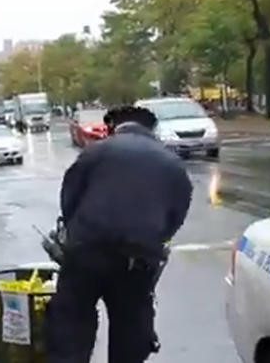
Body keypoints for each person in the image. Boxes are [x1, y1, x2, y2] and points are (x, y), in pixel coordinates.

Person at [45, 105, 193, 363]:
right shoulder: (172, 163)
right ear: (152, 130)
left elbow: (70, 195)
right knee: (131, 326)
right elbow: (176, 213)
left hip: (87, 250)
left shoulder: (96, 152)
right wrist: (155, 239)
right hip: (138, 258)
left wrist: (73, 231)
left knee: (72, 321)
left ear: (113, 127)